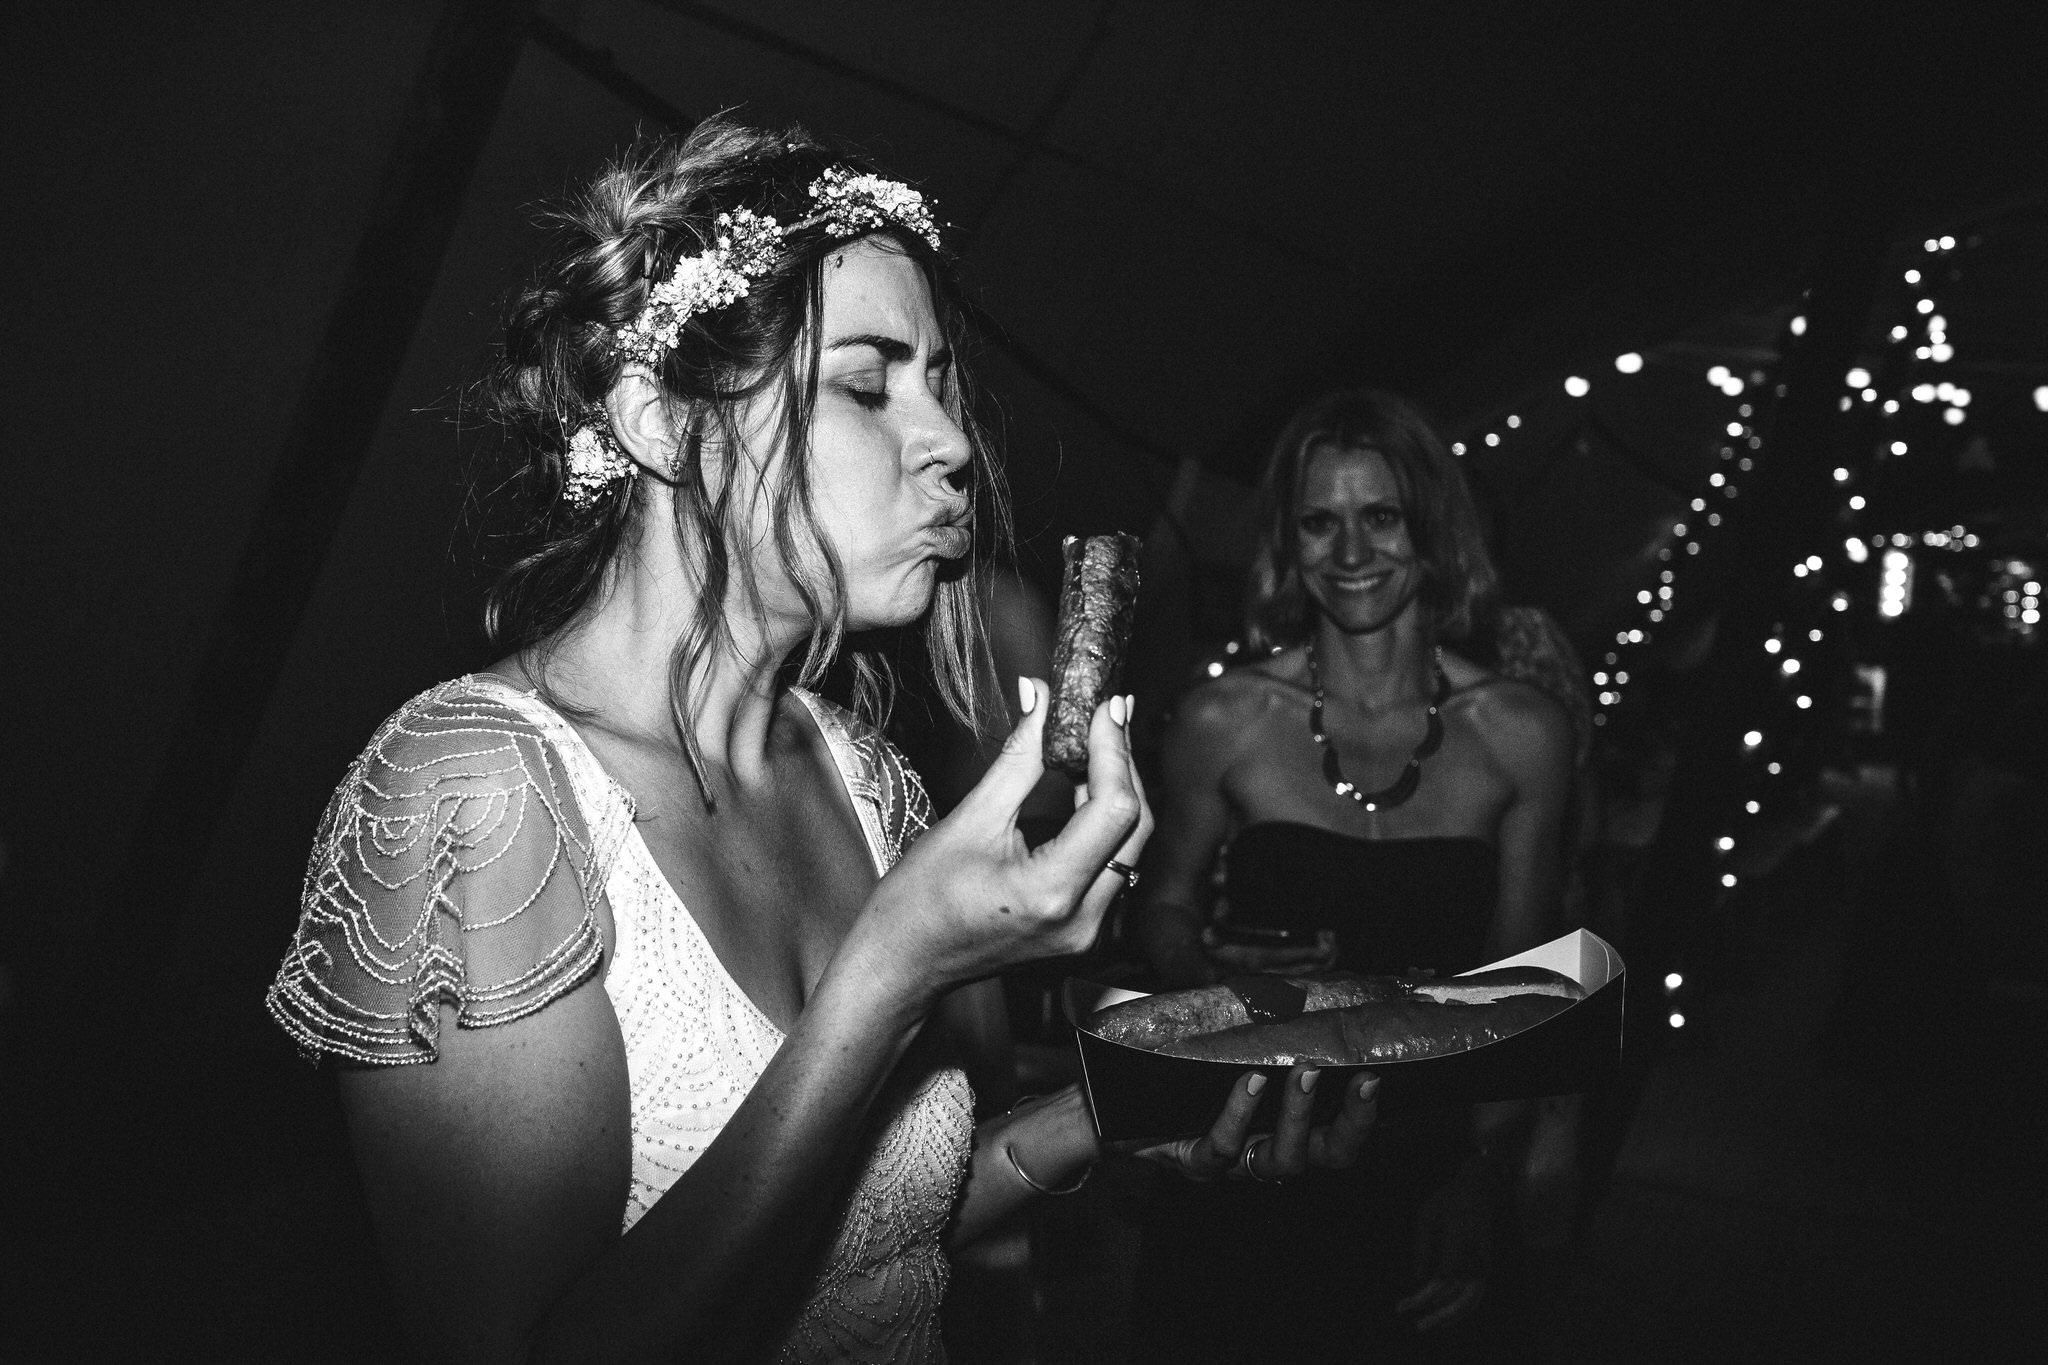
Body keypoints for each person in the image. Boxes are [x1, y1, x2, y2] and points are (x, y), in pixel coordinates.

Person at [265, 120, 1376, 1364]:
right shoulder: (477, 794)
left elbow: (880, 1236)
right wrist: (890, 970)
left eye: (940, 385)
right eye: (866, 384)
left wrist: (1112, 1115)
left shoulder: (859, 775)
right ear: (663, 423)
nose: (951, 443)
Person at [1124, 387, 1575, 1361]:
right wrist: (1203, 959)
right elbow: (1157, 908)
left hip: (1424, 1167)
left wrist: (1482, 1181)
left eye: (1379, 516)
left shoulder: (1523, 736)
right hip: (1246, 1141)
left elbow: (1523, 991)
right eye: (1319, 523)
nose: (1351, 552)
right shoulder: (1225, 721)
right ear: (1289, 542)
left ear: (1429, 525)